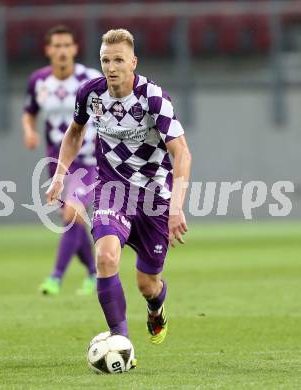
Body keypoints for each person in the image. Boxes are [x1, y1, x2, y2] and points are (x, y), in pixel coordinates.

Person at [46, 29, 192, 346]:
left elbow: (181, 152)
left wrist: (176, 207)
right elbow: (74, 133)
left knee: (147, 285)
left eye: (118, 60)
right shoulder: (91, 94)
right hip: (113, 191)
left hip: (156, 198)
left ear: (133, 62)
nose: (111, 68)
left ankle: (156, 308)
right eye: (105, 60)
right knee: (107, 258)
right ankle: (119, 339)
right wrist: (60, 173)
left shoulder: (153, 97)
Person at [22, 25, 102, 296]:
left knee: (72, 213)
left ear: (75, 49)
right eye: (56, 46)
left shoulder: (89, 79)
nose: (62, 51)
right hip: (56, 163)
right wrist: (29, 130)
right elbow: (29, 111)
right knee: (73, 221)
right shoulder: (38, 81)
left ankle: (55, 278)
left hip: (89, 160)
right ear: (48, 50)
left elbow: (106, 110)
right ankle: (94, 273)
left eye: (66, 45)